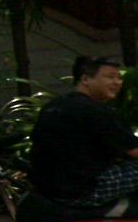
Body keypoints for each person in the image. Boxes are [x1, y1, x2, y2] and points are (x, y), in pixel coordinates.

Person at [28, 55, 138, 208]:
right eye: (110, 77)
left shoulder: (54, 106)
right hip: (84, 190)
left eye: (119, 78)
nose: (117, 82)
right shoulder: (93, 110)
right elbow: (134, 151)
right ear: (85, 79)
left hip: (49, 190)